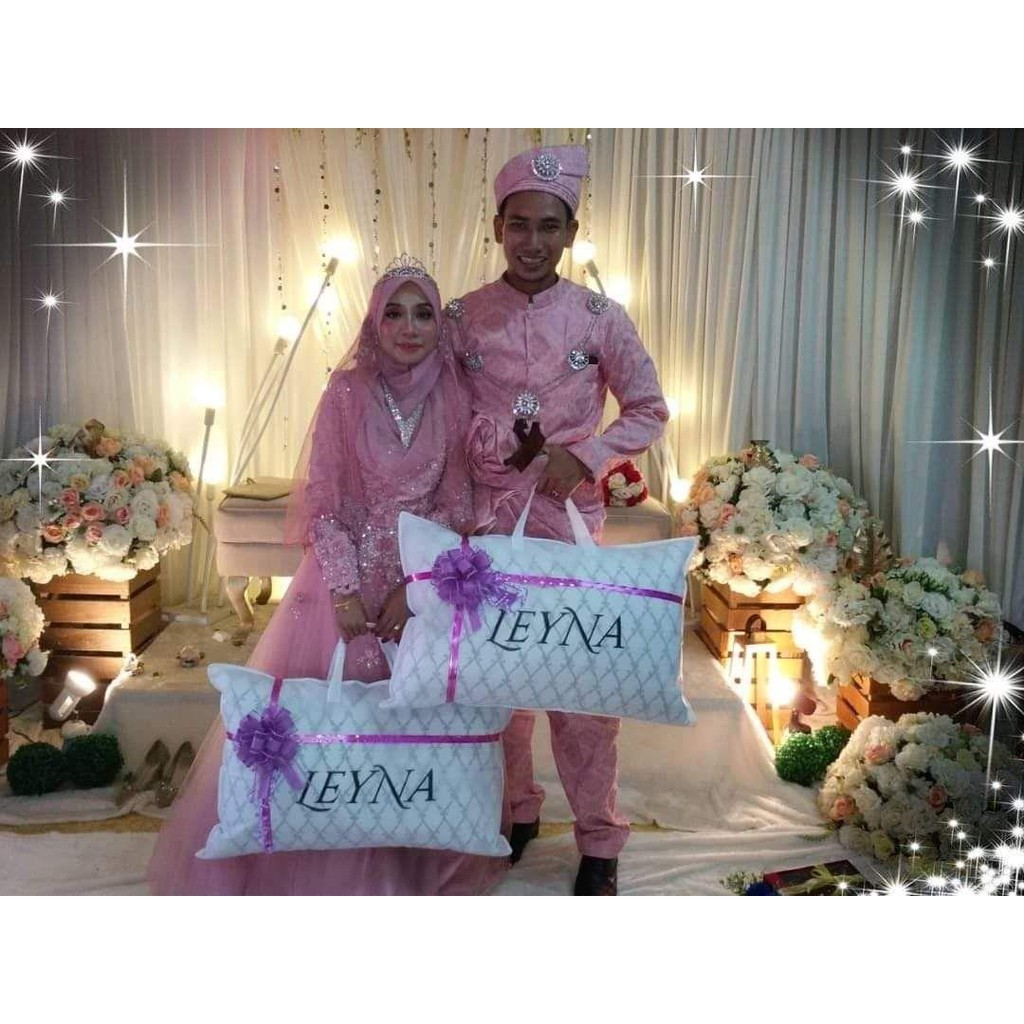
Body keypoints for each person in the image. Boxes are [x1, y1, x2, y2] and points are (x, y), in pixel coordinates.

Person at [147, 255, 507, 895]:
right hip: (343, 578)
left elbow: (456, 506)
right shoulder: (346, 392)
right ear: (374, 321)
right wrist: (344, 590)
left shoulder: (456, 396)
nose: (409, 328)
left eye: (423, 314)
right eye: (394, 313)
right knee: (330, 721)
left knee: (414, 733)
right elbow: (323, 501)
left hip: (419, 585)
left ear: (439, 324)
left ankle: (410, 857)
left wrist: (414, 588)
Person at [446, 145, 669, 895]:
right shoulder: (462, 319)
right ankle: (517, 813)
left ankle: (600, 838)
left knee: (581, 694)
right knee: (497, 685)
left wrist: (590, 454)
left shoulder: (601, 318)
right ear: (497, 227)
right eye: (519, 225)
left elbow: (649, 409)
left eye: (549, 226)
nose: (532, 241)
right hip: (485, 528)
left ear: (571, 233)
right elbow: (438, 413)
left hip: (567, 526)